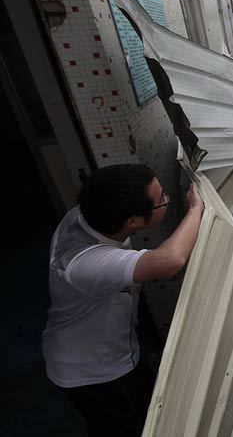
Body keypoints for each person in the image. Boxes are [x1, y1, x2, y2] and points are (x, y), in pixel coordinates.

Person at [42, 164, 204, 437]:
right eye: (161, 199)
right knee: (136, 426)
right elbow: (171, 259)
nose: (166, 199)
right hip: (97, 370)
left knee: (111, 423)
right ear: (133, 222)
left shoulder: (88, 216)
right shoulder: (86, 263)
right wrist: (196, 209)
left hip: (89, 348)